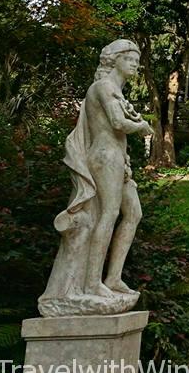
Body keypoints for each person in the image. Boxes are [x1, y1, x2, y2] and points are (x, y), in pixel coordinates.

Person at [38, 39, 154, 316]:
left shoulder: (115, 91)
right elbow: (117, 123)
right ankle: (92, 282)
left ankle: (112, 277)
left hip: (118, 158)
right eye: (130, 59)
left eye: (137, 60)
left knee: (133, 213)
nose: (135, 65)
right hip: (105, 156)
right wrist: (142, 126)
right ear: (114, 61)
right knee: (109, 213)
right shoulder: (103, 87)